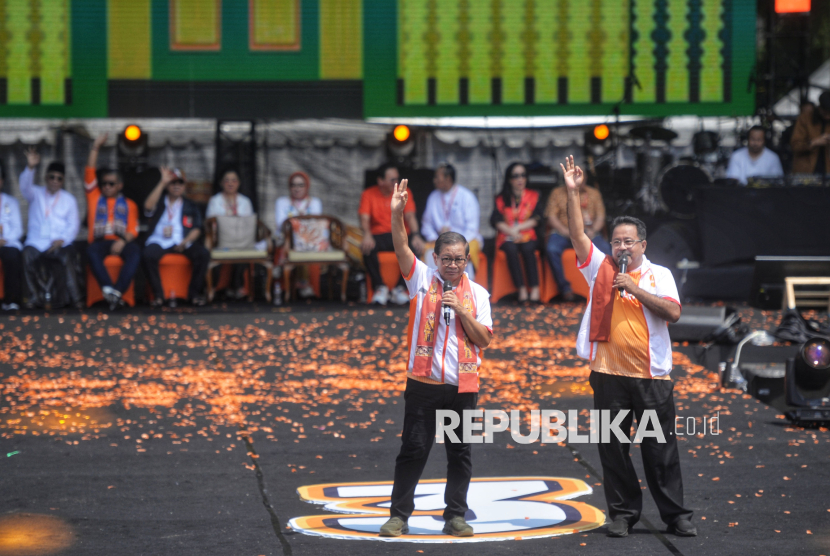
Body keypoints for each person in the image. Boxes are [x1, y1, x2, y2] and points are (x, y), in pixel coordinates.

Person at [561, 155, 695, 539]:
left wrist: (636, 289)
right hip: (609, 375)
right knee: (613, 449)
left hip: (651, 377)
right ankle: (622, 514)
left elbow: (673, 312)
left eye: (628, 241)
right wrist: (573, 192)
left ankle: (676, 515)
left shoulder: (659, 274)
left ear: (642, 244)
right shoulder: (600, 268)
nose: (621, 247)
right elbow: (576, 234)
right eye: (616, 241)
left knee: (659, 449)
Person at [378, 178, 493, 538]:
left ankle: (455, 515)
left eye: (460, 259)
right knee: (412, 449)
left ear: (468, 258)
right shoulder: (421, 279)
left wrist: (462, 310)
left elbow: (483, 340)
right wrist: (397, 213)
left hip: (462, 385)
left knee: (460, 453)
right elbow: (400, 247)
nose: (453, 265)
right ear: (435, 259)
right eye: (447, 259)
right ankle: (399, 516)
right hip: (424, 383)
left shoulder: (478, 294)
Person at [20, 148, 82, 309]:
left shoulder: (69, 200)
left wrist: (63, 240)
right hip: (36, 241)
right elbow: (24, 186)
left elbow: (73, 225)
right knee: (26, 255)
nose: (55, 180)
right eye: (52, 177)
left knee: (66, 258)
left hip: (58, 242)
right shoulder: (35, 193)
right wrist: (30, 168)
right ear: (46, 177)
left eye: (59, 178)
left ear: (63, 181)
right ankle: (34, 297)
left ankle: (75, 298)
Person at [84, 134, 141, 310]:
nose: (106, 187)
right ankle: (111, 290)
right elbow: (89, 172)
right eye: (104, 184)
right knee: (90, 251)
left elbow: (134, 229)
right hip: (100, 242)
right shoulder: (94, 197)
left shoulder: (129, 204)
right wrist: (95, 147)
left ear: (119, 186)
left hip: (120, 240)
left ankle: (117, 292)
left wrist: (123, 241)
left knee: (135, 252)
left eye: (111, 184)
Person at [142, 167, 210, 307]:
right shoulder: (160, 201)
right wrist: (162, 182)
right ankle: (159, 296)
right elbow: (148, 206)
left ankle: (193, 295)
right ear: (168, 185)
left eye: (180, 183)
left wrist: (186, 242)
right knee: (148, 255)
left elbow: (197, 228)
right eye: (173, 183)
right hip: (160, 241)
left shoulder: (191, 205)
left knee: (203, 254)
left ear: (184, 186)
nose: (176, 186)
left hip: (182, 241)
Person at [359, 163, 425, 306]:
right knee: (367, 247)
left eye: (397, 179)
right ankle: (379, 288)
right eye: (392, 180)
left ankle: (400, 289)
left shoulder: (405, 192)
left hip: (400, 235)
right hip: (379, 235)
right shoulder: (368, 194)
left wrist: (416, 235)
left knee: (416, 247)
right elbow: (364, 218)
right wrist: (367, 235)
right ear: (380, 181)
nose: (396, 182)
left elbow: (410, 216)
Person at [545, 172, 611, 300]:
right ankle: (565, 289)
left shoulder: (594, 193)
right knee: (551, 249)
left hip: (588, 233)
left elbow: (601, 217)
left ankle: (605, 287)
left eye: (581, 178)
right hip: (563, 233)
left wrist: (593, 230)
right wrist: (564, 231)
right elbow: (551, 217)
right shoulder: (557, 193)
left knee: (607, 252)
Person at [490, 162, 543, 302]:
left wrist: (518, 229)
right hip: (507, 235)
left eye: (523, 175)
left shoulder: (534, 196)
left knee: (528, 248)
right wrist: (511, 232)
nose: (520, 179)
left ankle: (535, 288)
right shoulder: (501, 198)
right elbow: (495, 220)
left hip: (527, 234)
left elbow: (538, 218)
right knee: (511, 249)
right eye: (516, 176)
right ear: (509, 179)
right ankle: (522, 289)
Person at [421, 163, 482, 281]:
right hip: (439, 241)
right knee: (429, 253)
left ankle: (463, 290)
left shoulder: (466, 196)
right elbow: (426, 224)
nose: (434, 181)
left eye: (437, 177)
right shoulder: (433, 197)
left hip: (466, 239)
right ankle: (435, 289)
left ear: (448, 179)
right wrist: (435, 237)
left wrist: (456, 242)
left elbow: (472, 228)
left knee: (462, 254)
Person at [206, 168, 255, 300]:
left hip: (241, 240)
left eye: (234, 180)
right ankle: (220, 289)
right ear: (221, 183)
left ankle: (238, 288)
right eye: (227, 181)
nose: (230, 183)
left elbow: (249, 224)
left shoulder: (245, 201)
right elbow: (209, 223)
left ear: (238, 183)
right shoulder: (214, 201)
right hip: (220, 240)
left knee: (242, 251)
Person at [274, 171, 323, 302]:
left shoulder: (315, 202)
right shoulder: (282, 202)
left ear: (307, 186)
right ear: (289, 187)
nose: (297, 189)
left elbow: (315, 224)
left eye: (301, 185)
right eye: (293, 185)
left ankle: (308, 287)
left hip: (308, 240)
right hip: (287, 239)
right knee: (288, 243)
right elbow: (281, 224)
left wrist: (295, 223)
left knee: (305, 244)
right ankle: (293, 287)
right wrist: (299, 225)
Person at [0, 161, 23, 310]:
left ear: (2, 181)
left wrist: (4, 239)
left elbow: (18, 229)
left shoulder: (12, 202)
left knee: (12, 257)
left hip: (7, 242)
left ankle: (10, 300)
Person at [792, 91, 830, 175]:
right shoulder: (805, 119)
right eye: (826, 113)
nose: (828, 117)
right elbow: (795, 146)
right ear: (820, 108)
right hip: (806, 172)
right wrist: (813, 143)